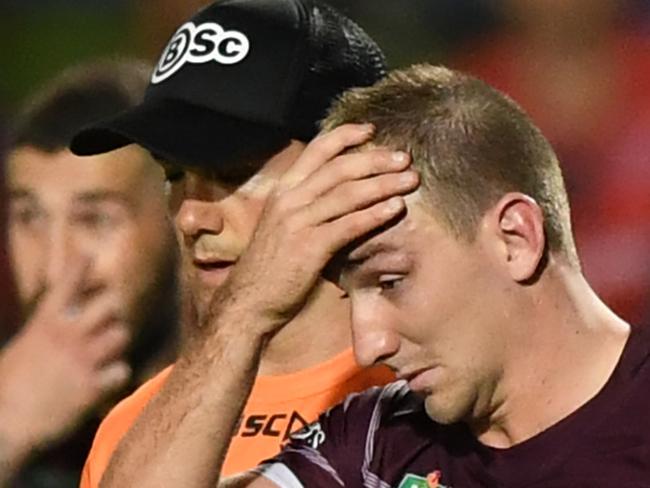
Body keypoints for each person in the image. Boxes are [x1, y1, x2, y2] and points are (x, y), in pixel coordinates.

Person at [83, 63, 648, 487]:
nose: (369, 341)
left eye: (390, 280)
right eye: (349, 294)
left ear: (515, 237)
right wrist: (247, 310)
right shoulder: (374, 442)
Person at [69, 1, 394, 485]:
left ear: (352, 165)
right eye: (173, 173)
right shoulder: (136, 432)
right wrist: (244, 316)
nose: (191, 215)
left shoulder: (441, 394)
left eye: (234, 173)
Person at [1, 59, 179, 487]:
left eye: (95, 220)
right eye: (29, 217)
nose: (56, 267)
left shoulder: (261, 414)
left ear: (182, 217)